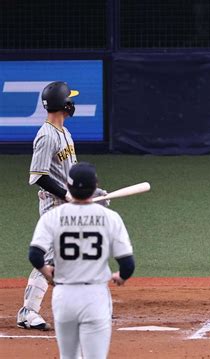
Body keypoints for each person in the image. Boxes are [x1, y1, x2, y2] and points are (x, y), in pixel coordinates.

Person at [17, 82, 108, 330]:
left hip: (67, 203)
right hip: (54, 206)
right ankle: (28, 312)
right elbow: (38, 176)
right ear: (63, 104)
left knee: (72, 255)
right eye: (70, 99)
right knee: (52, 258)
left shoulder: (64, 133)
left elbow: (67, 173)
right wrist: (67, 196)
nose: (73, 103)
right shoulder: (46, 136)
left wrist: (89, 192)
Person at [28, 162, 135, 358]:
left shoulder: (52, 217)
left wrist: (46, 272)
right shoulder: (110, 217)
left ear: (68, 187)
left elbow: (35, 254)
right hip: (95, 297)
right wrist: (121, 277)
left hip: (64, 297)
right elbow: (128, 264)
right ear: (95, 188)